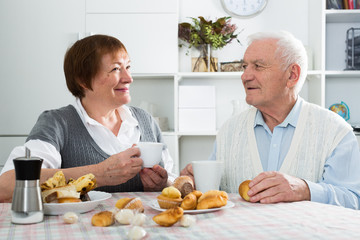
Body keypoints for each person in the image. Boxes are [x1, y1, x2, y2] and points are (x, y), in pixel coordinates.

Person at [181, 31, 360, 209]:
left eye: (258, 66)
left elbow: (353, 200)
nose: (245, 76)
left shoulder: (336, 131)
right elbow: (212, 196)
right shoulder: (229, 130)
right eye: (245, 66)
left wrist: (306, 190)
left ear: (292, 75)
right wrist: (195, 184)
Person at [0, 34, 175, 202]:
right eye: (115, 69)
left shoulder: (145, 121)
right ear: (83, 80)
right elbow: (6, 186)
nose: (128, 78)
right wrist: (99, 174)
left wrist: (162, 184)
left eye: (128, 67)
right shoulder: (57, 123)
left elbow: (172, 184)